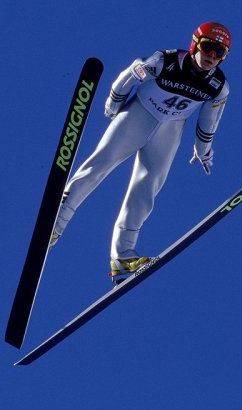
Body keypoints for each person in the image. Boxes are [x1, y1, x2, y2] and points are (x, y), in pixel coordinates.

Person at [52, 21, 232, 282]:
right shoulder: (165, 60)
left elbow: (210, 120)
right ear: (195, 43)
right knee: (99, 165)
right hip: (138, 116)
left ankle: (123, 258)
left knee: (146, 189)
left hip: (169, 131)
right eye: (208, 48)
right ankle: (54, 226)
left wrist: (203, 150)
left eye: (220, 53)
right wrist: (114, 102)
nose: (212, 57)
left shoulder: (218, 85)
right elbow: (131, 73)